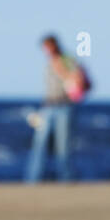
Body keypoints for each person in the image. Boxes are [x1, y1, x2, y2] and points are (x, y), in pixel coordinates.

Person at [26, 35, 87, 182]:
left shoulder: (67, 60)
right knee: (39, 144)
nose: (47, 51)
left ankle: (66, 179)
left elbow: (78, 79)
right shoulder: (48, 63)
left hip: (64, 106)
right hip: (48, 107)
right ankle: (33, 179)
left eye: (49, 47)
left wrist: (61, 70)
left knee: (63, 146)